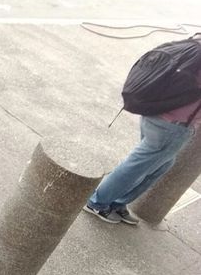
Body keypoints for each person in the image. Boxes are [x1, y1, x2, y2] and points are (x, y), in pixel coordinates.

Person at [84, 90, 201, 225]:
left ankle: (117, 202)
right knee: (138, 166)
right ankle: (98, 203)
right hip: (175, 124)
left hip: (158, 111)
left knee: (158, 166)